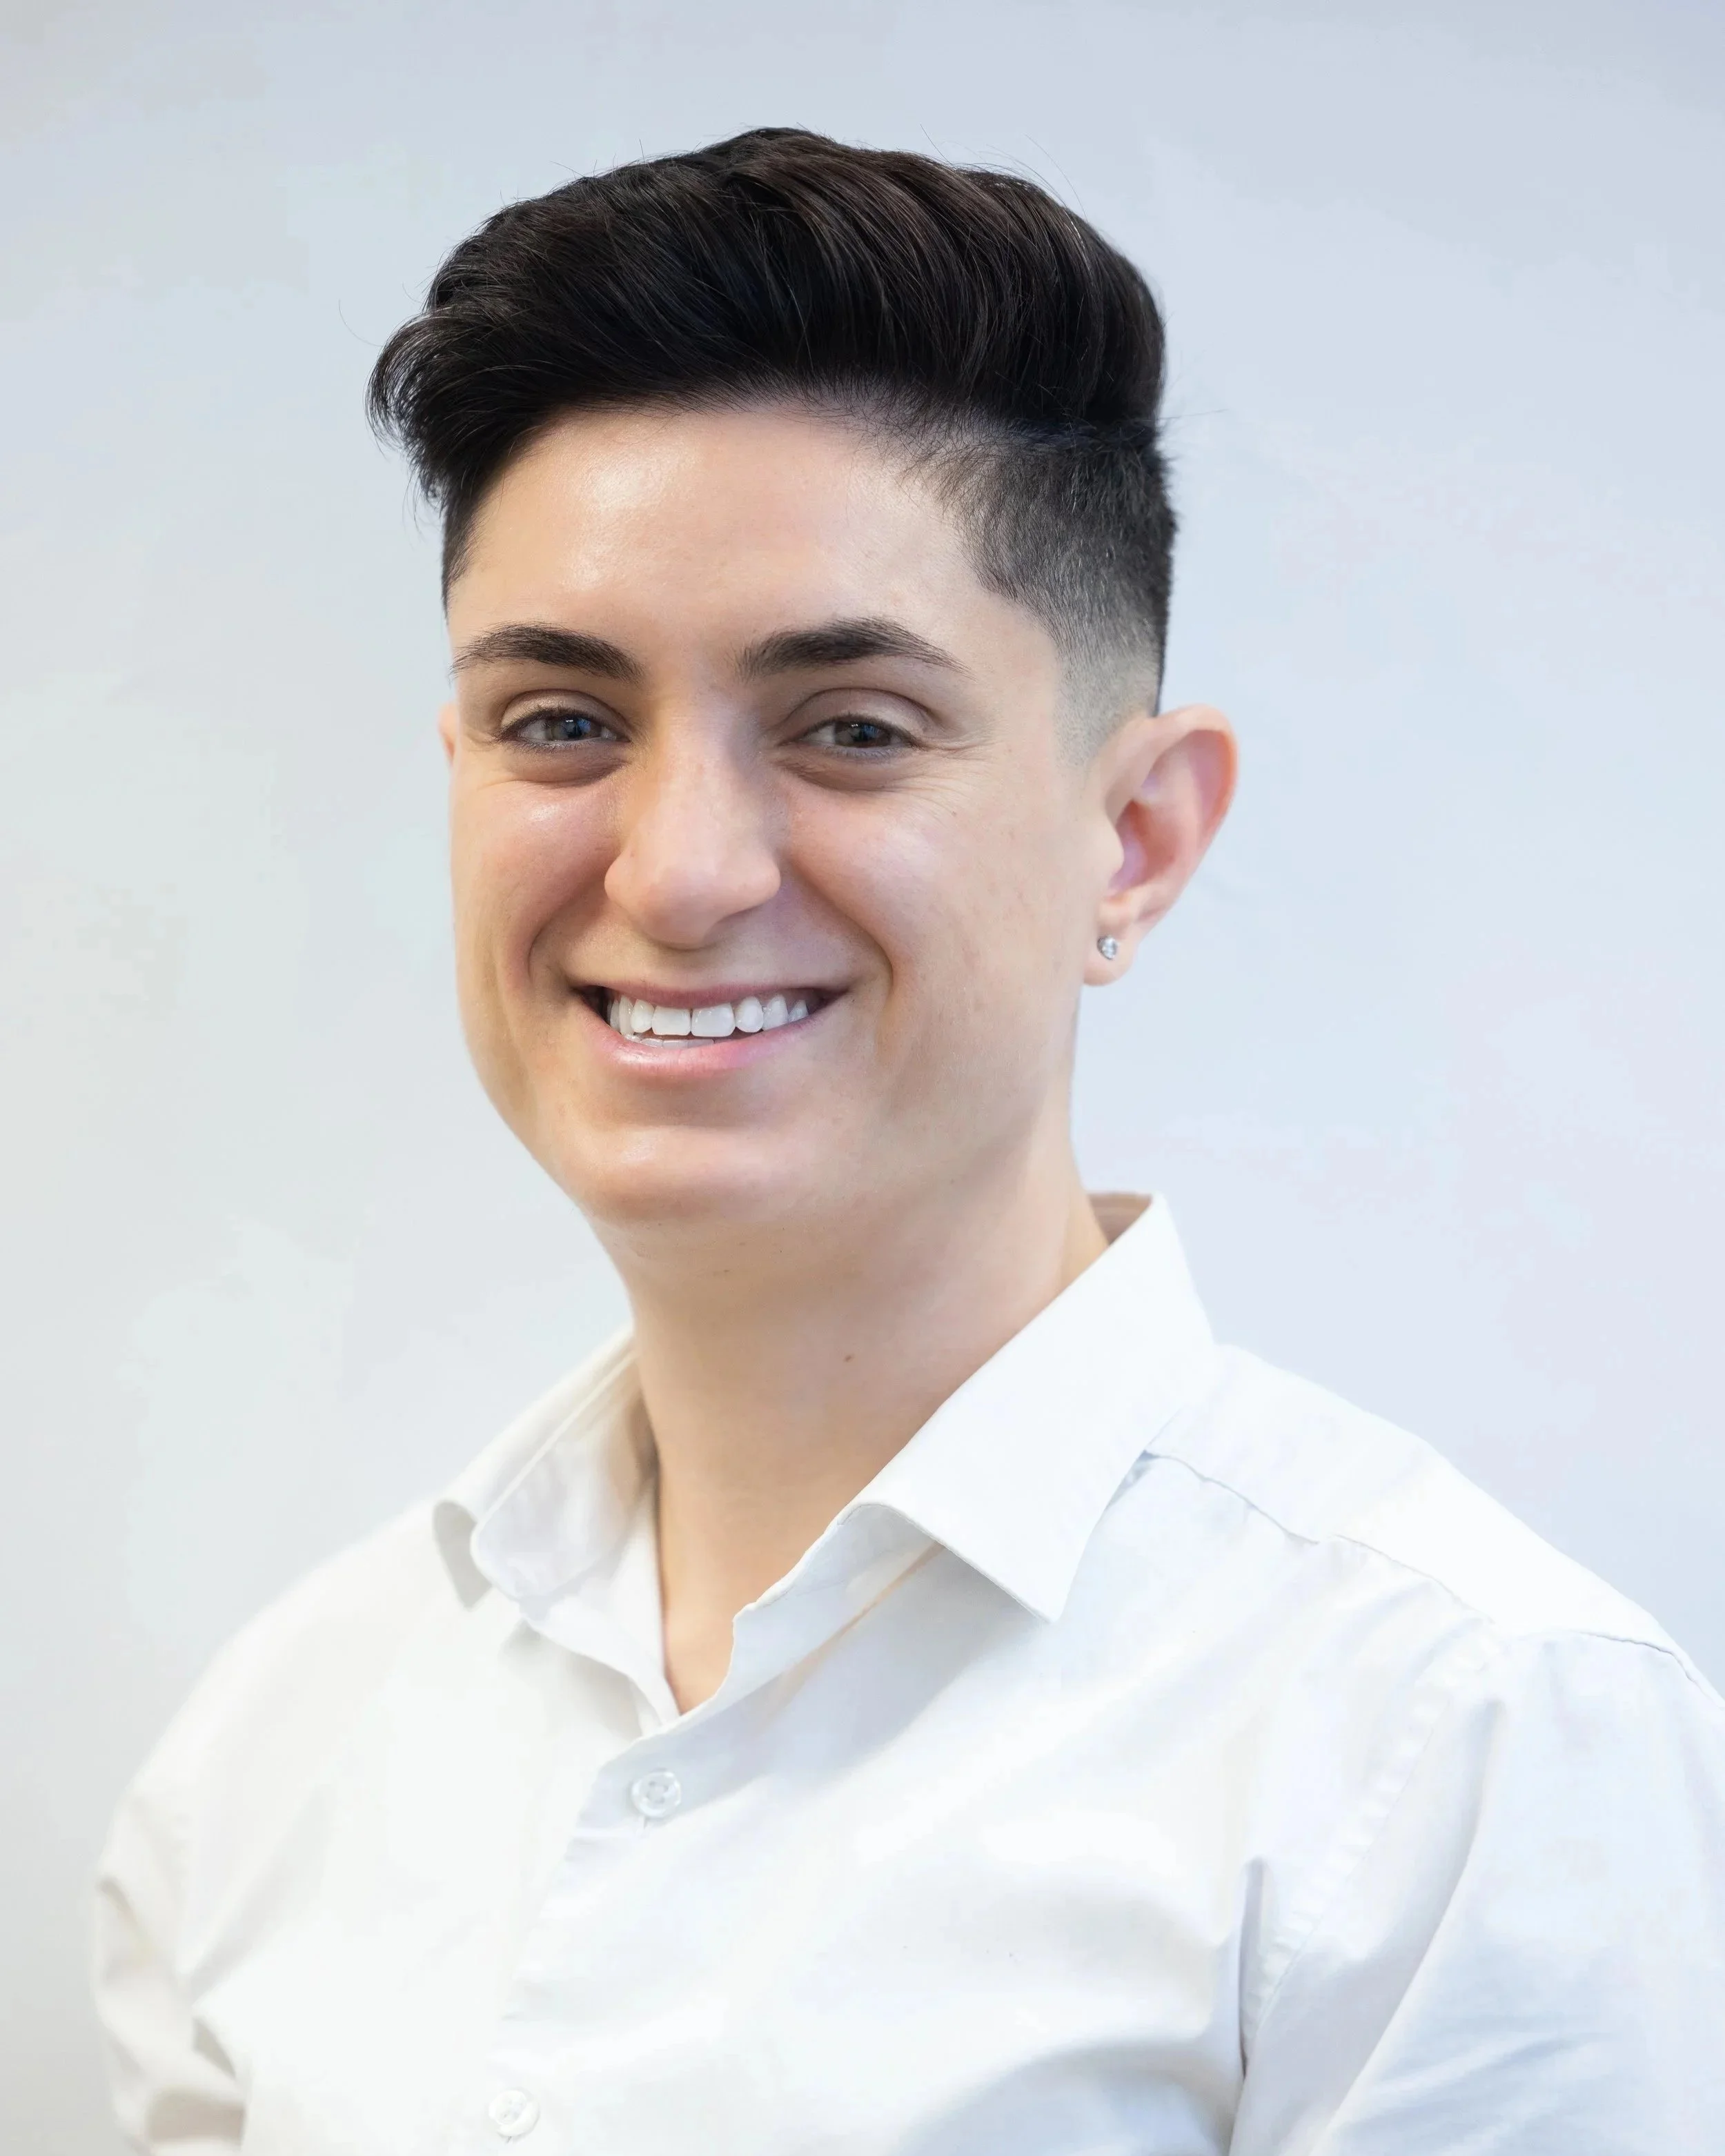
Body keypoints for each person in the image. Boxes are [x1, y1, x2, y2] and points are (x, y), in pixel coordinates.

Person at [93, 128, 1725, 2155]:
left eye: (852, 724)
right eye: (559, 722)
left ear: (1131, 838)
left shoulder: (1457, 1740)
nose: (677, 870)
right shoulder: (275, 1746)